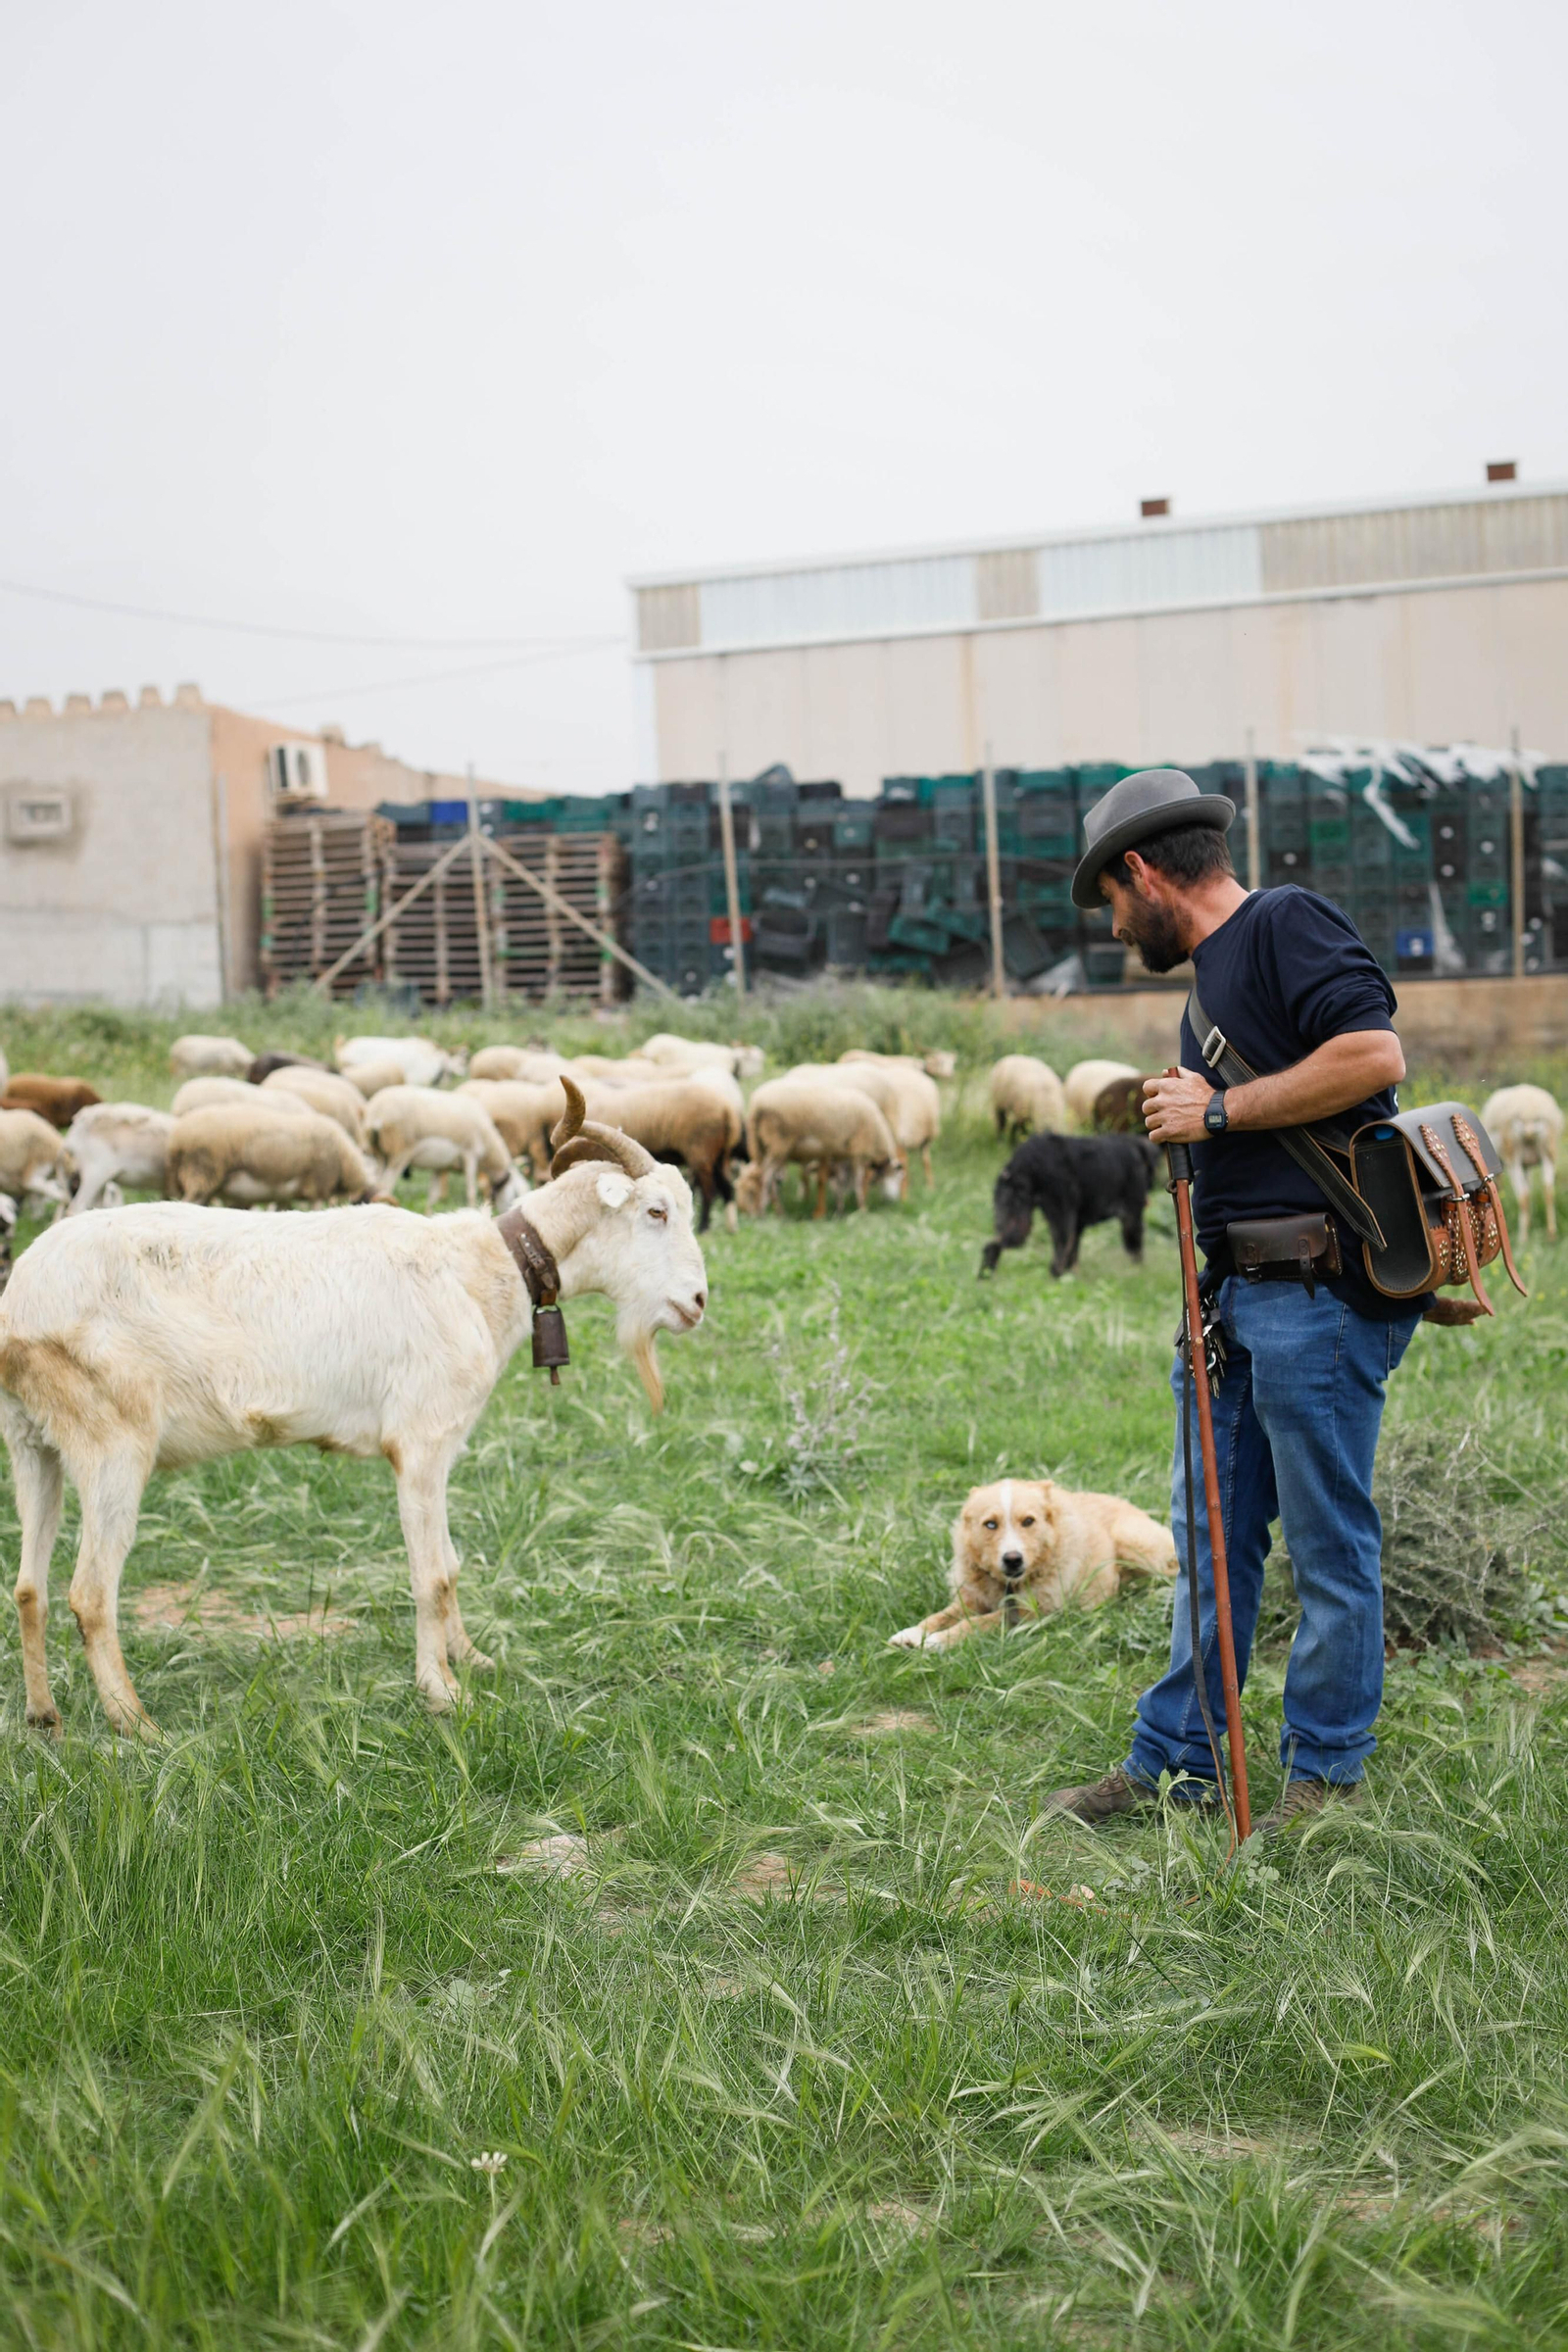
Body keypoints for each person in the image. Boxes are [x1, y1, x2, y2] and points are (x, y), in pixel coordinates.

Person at [1049, 769, 1427, 1833]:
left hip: (1315, 1300)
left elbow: (1372, 1054)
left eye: (1113, 902)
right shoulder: (1209, 978)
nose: (1118, 926)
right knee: (1210, 1541)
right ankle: (1177, 1761)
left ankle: (1322, 1778)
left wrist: (1218, 1111)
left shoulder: (1283, 924)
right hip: (1231, 1306)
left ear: (1141, 872)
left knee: (1326, 1545)